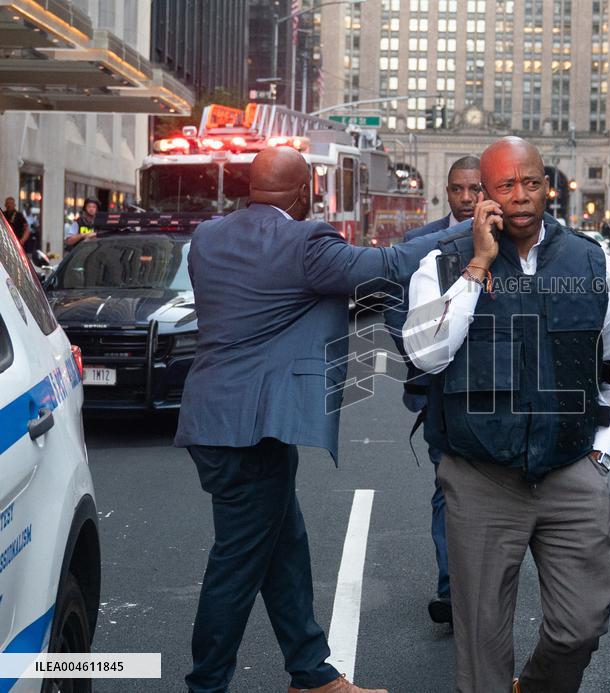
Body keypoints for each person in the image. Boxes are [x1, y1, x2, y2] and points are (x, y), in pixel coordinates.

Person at [173, 147, 449, 693]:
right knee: (237, 565)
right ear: (305, 194)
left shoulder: (207, 236)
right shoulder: (305, 243)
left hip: (217, 418)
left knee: (285, 548)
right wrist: (460, 230)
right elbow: (390, 266)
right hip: (251, 431)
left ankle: (311, 673)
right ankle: (206, 685)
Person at [403, 137, 610, 692]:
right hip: (480, 475)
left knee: (581, 624)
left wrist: (604, 450)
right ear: (483, 196)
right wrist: (479, 265)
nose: (521, 195)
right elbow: (426, 354)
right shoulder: (443, 262)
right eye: (505, 185)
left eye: (531, 182)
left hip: (570, 468)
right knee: (482, 644)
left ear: (547, 187)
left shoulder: (590, 258)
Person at [384, 155, 481, 626]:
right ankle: (452, 589)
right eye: (457, 189)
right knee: (449, 486)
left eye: (475, 189)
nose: (466, 198)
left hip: (495, 396)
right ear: (446, 192)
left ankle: (483, 581)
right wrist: (420, 363)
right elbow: (394, 311)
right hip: (440, 391)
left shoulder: (512, 241)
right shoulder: (420, 243)